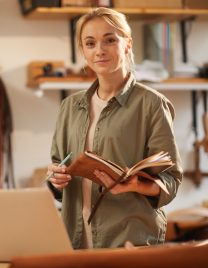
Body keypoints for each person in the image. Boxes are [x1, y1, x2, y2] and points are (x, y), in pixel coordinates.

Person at [47, 7, 183, 249]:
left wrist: (137, 185)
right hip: (74, 242)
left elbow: (171, 180)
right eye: (90, 43)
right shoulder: (69, 106)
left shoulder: (151, 104)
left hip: (131, 241)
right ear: (83, 50)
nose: (99, 50)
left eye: (109, 40)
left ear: (127, 44)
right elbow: (59, 168)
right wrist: (56, 179)